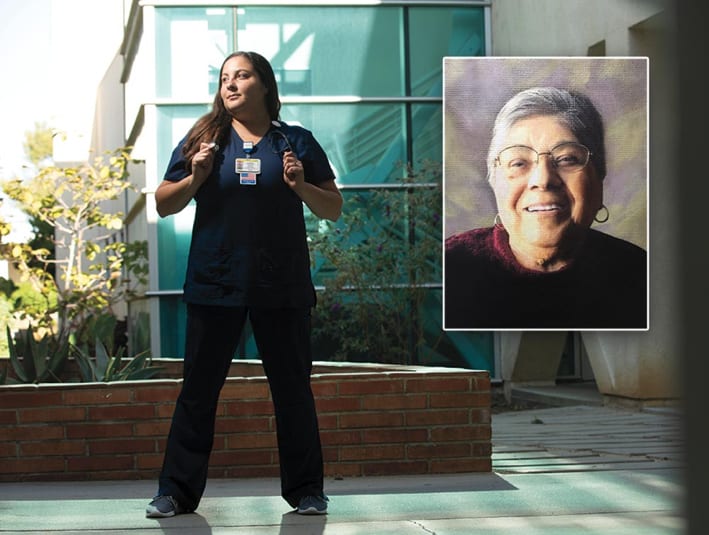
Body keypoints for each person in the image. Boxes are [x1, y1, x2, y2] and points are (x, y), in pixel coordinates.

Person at [145, 51, 342, 518]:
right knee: (198, 391)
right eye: (224, 78)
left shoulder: (295, 142)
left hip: (282, 285)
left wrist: (300, 185)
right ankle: (175, 492)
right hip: (216, 284)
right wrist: (195, 176)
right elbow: (163, 204)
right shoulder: (204, 140)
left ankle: (307, 492)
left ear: (265, 86)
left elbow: (331, 207)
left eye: (242, 75)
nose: (230, 85)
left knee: (292, 389)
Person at [444, 87, 646, 329]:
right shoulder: (453, 266)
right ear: (493, 180)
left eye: (567, 159)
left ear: (598, 176)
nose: (543, 179)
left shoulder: (640, 274)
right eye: (518, 162)